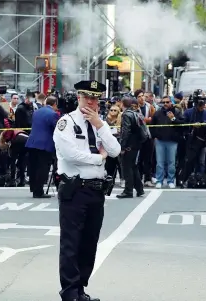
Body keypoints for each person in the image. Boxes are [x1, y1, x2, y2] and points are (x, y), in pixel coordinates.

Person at [53, 80, 121, 301]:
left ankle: (80, 288)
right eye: (87, 97)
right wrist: (97, 158)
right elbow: (72, 155)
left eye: (95, 98)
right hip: (75, 189)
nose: (91, 102)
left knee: (89, 243)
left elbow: (115, 150)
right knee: (71, 243)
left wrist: (101, 126)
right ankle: (70, 291)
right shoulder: (66, 122)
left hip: (96, 191)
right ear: (79, 97)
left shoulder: (99, 124)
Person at [25, 95, 59, 198]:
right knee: (42, 167)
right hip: (44, 144)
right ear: (54, 104)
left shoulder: (37, 112)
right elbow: (56, 130)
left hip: (32, 142)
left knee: (33, 166)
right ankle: (38, 191)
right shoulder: (53, 114)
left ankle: (34, 188)